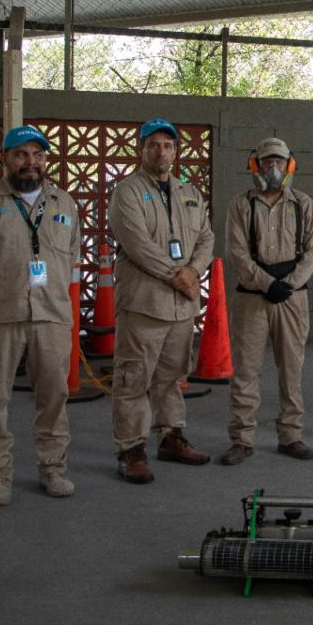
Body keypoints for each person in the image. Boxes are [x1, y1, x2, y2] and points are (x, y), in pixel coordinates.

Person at [0, 124, 80, 507]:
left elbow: (71, 254)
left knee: (54, 396)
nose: (30, 162)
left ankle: (53, 469)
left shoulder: (64, 203)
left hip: (51, 317)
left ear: (46, 159)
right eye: (21, 154)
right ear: (5, 158)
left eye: (37, 154)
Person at [109, 118, 215, 484]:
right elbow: (137, 244)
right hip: (144, 303)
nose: (161, 151)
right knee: (133, 379)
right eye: (153, 144)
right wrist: (178, 276)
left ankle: (171, 436)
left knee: (171, 377)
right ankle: (131, 449)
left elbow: (206, 238)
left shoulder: (189, 192)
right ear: (141, 149)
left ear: (175, 151)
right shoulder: (127, 192)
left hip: (180, 307)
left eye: (168, 145)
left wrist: (194, 270)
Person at [222, 138, 313, 464]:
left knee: (292, 370)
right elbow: (237, 254)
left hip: (292, 298)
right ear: (256, 165)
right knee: (246, 371)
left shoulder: (303, 204)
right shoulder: (241, 204)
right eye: (267, 162)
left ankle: (291, 436)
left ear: (289, 165)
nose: (273, 168)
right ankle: (241, 439)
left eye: (279, 161)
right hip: (251, 298)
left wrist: (287, 284)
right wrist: (267, 283)